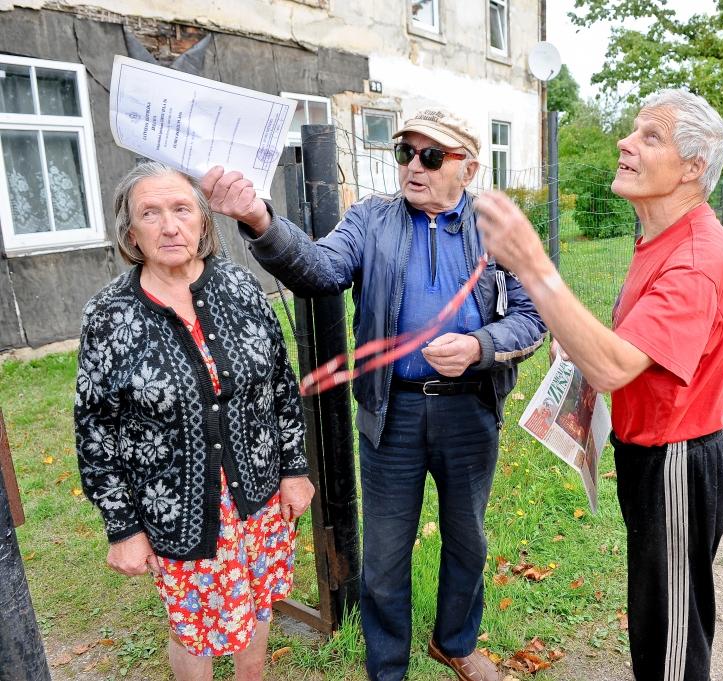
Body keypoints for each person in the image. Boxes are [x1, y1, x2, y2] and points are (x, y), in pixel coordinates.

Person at [201, 108, 545, 681]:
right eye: (404, 152)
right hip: (393, 412)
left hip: (469, 412)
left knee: (469, 540)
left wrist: (480, 346)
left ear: (468, 167)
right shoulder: (371, 220)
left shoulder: (497, 227)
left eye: (431, 156)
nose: (414, 166)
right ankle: (386, 669)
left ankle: (456, 642)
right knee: (384, 558)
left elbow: (533, 318)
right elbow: (316, 268)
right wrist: (259, 218)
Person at [475, 88, 723, 681]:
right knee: (655, 626)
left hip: (677, 462)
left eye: (651, 137)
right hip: (652, 455)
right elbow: (629, 350)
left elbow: (614, 367)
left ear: (693, 167)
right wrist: (576, 341)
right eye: (632, 131)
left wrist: (532, 264)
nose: (626, 143)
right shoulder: (661, 235)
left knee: (672, 644)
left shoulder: (696, 260)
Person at [74, 162, 315, 681]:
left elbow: (279, 386)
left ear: (203, 222)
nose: (169, 226)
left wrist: (295, 470)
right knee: (193, 625)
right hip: (177, 507)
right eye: (150, 214)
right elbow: (96, 432)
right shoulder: (109, 316)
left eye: (182, 209)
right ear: (130, 233)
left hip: (258, 493)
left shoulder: (241, 288)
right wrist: (123, 528)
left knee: (257, 603)